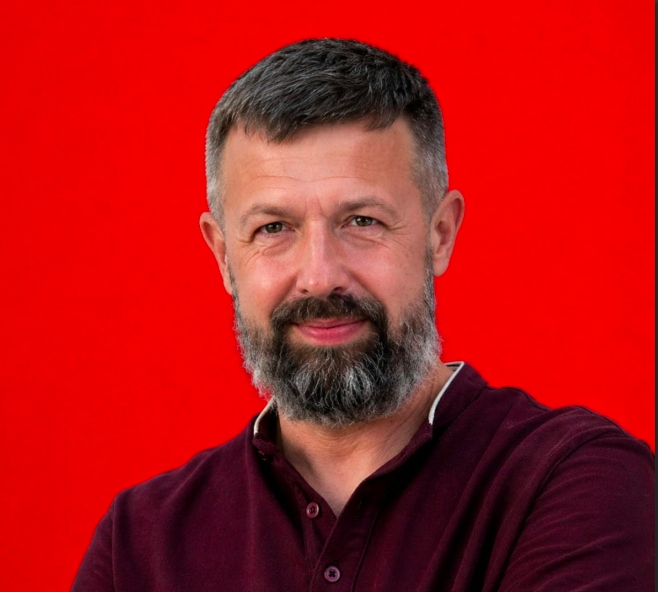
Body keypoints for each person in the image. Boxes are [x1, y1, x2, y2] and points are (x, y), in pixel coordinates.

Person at [72, 39, 654, 591]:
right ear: (224, 256)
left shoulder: (577, 480)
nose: (320, 275)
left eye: (362, 221)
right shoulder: (140, 543)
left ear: (440, 234)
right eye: (273, 228)